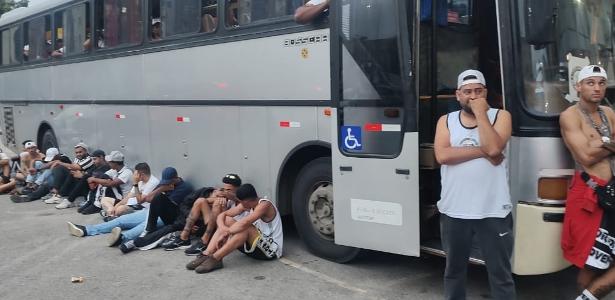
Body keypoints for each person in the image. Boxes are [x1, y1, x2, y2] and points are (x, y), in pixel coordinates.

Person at [433, 69, 515, 300]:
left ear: (485, 93)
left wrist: (481, 114)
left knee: (500, 274)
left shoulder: (501, 116)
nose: (472, 96)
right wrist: (483, 151)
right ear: (458, 95)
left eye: (478, 91)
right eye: (467, 92)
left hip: (493, 210)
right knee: (454, 272)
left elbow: (494, 148)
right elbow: (443, 155)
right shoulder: (445, 121)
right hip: (454, 210)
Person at [560, 65, 615, 300]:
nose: (597, 88)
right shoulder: (569, 115)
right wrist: (609, 141)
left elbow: (593, 150)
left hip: (611, 192)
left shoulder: (609, 113)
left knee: (603, 258)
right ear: (578, 87)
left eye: (601, 83)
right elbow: (585, 156)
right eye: (590, 83)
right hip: (588, 194)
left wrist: (599, 142)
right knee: (591, 262)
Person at [186, 184, 283, 274]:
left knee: (245, 228)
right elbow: (223, 215)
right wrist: (223, 229)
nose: (239, 204)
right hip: (256, 245)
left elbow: (245, 223)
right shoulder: (247, 204)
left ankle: (215, 258)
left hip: (271, 250)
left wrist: (226, 233)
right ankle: (207, 254)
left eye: (241, 202)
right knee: (228, 220)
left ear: (246, 201)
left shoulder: (264, 205)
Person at [162, 173, 242, 254]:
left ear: (237, 190)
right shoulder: (224, 197)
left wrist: (225, 202)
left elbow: (228, 218)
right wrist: (215, 197)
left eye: (229, 190)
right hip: (213, 224)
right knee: (201, 200)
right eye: (224, 189)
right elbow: (204, 201)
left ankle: (205, 241)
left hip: (224, 229)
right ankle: (184, 238)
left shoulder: (242, 202)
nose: (225, 192)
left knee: (217, 204)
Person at [131, 167, 194, 250]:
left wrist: (162, 190)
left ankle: (126, 238)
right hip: (156, 214)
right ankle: (147, 230)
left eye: (169, 182)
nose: (167, 184)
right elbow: (147, 199)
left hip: (176, 219)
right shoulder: (164, 184)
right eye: (166, 182)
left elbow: (167, 205)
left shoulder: (184, 188)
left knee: (140, 229)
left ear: (176, 178)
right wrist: (161, 188)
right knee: (124, 220)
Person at [50, 143, 95, 208]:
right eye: (76, 153)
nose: (78, 154)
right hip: (80, 182)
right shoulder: (77, 158)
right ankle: (59, 195)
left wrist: (60, 163)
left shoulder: (89, 159)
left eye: (80, 152)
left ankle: (66, 199)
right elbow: (73, 168)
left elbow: (75, 167)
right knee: (69, 172)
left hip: (87, 185)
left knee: (72, 172)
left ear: (85, 151)